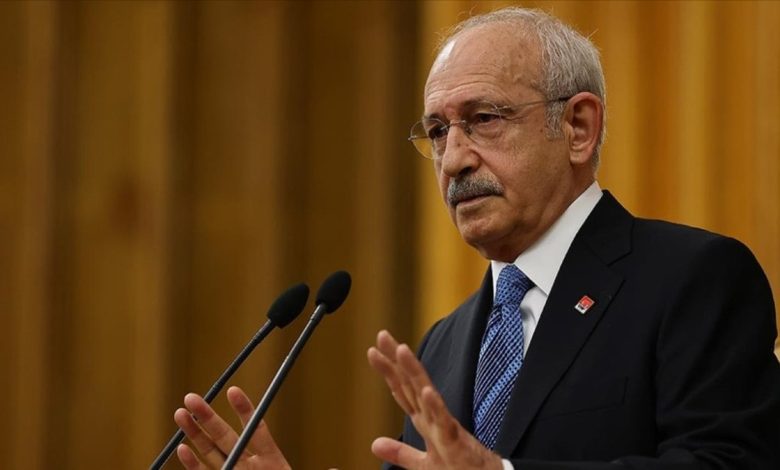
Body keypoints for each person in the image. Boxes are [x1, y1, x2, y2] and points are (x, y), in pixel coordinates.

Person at [171, 7, 780, 470]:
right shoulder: (444, 343)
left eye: (484, 119)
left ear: (578, 127)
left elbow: (729, 463)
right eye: (438, 131)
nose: (455, 159)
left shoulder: (693, 279)